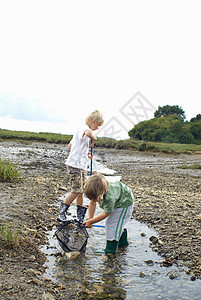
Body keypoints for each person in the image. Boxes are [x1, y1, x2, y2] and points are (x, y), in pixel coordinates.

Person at [58, 110, 104, 223]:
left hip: (80, 165)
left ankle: (80, 215)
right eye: (98, 125)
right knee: (76, 190)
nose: (97, 128)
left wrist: (86, 154)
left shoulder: (81, 133)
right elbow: (88, 133)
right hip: (75, 166)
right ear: (93, 120)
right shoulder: (83, 128)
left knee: (81, 190)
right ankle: (62, 212)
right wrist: (94, 138)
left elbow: (70, 146)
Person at [83, 173, 134, 254]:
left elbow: (106, 213)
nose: (93, 200)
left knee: (112, 225)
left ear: (104, 192)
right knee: (117, 224)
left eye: (96, 199)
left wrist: (91, 222)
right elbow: (92, 203)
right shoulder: (97, 191)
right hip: (119, 198)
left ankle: (110, 250)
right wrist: (90, 218)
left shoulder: (110, 198)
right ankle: (123, 244)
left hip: (124, 203)